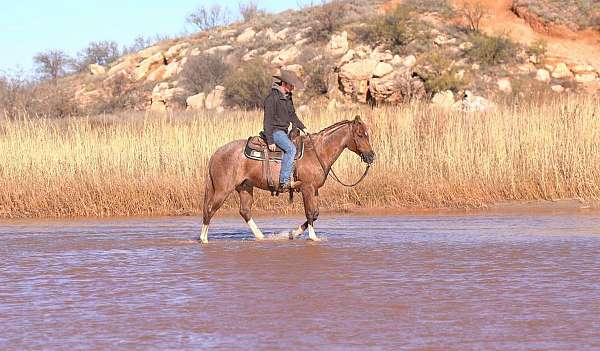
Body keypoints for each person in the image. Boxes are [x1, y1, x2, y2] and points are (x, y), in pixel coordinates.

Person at [263, 70, 309, 191]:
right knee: (291, 149)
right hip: (275, 132)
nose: (293, 87)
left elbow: (292, 115)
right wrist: (270, 141)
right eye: (291, 85)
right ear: (284, 83)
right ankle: (284, 181)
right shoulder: (272, 98)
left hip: (283, 131)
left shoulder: (288, 98)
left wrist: (303, 127)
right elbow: (267, 121)